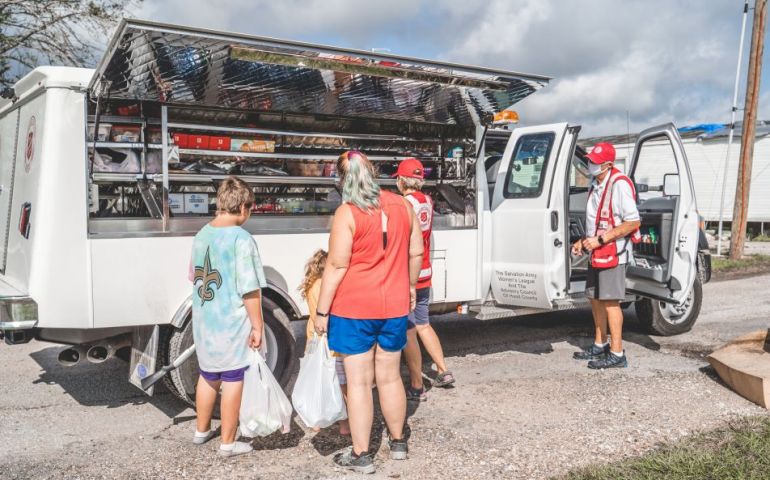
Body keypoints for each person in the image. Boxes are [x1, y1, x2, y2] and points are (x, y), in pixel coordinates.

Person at [313, 150, 424, 474]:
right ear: (373, 172)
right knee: (390, 376)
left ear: (342, 180)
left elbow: (335, 265)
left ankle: (362, 455)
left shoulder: (347, 213)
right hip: (393, 307)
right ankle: (398, 441)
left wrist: (321, 312)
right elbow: (416, 251)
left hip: (353, 308)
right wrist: (411, 286)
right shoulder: (403, 205)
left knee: (359, 384)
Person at [189, 176, 267, 457]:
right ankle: (228, 442)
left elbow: (193, 276)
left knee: (208, 374)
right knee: (233, 377)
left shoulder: (202, 234)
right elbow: (250, 289)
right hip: (230, 322)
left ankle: (201, 430)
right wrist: (257, 325)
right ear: (244, 207)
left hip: (204, 319)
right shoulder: (242, 239)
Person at [571, 143, 641, 369]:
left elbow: (633, 222)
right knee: (596, 299)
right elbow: (596, 222)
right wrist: (584, 241)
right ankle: (600, 344)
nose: (590, 164)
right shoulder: (596, 184)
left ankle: (617, 353)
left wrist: (600, 240)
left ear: (608, 165)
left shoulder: (619, 185)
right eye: (590, 159)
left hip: (612, 252)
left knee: (611, 302)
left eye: (595, 161)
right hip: (597, 251)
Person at [395, 158, 455, 403]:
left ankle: (417, 385)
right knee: (424, 324)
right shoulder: (427, 201)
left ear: (401, 180)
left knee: (409, 330)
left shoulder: (402, 204)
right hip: (425, 270)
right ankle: (442, 370)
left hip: (408, 273)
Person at [299, 248, 350, 436]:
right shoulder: (327, 286)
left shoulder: (311, 286)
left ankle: (316, 422)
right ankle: (345, 424)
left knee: (318, 384)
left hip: (314, 345)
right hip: (331, 347)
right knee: (342, 385)